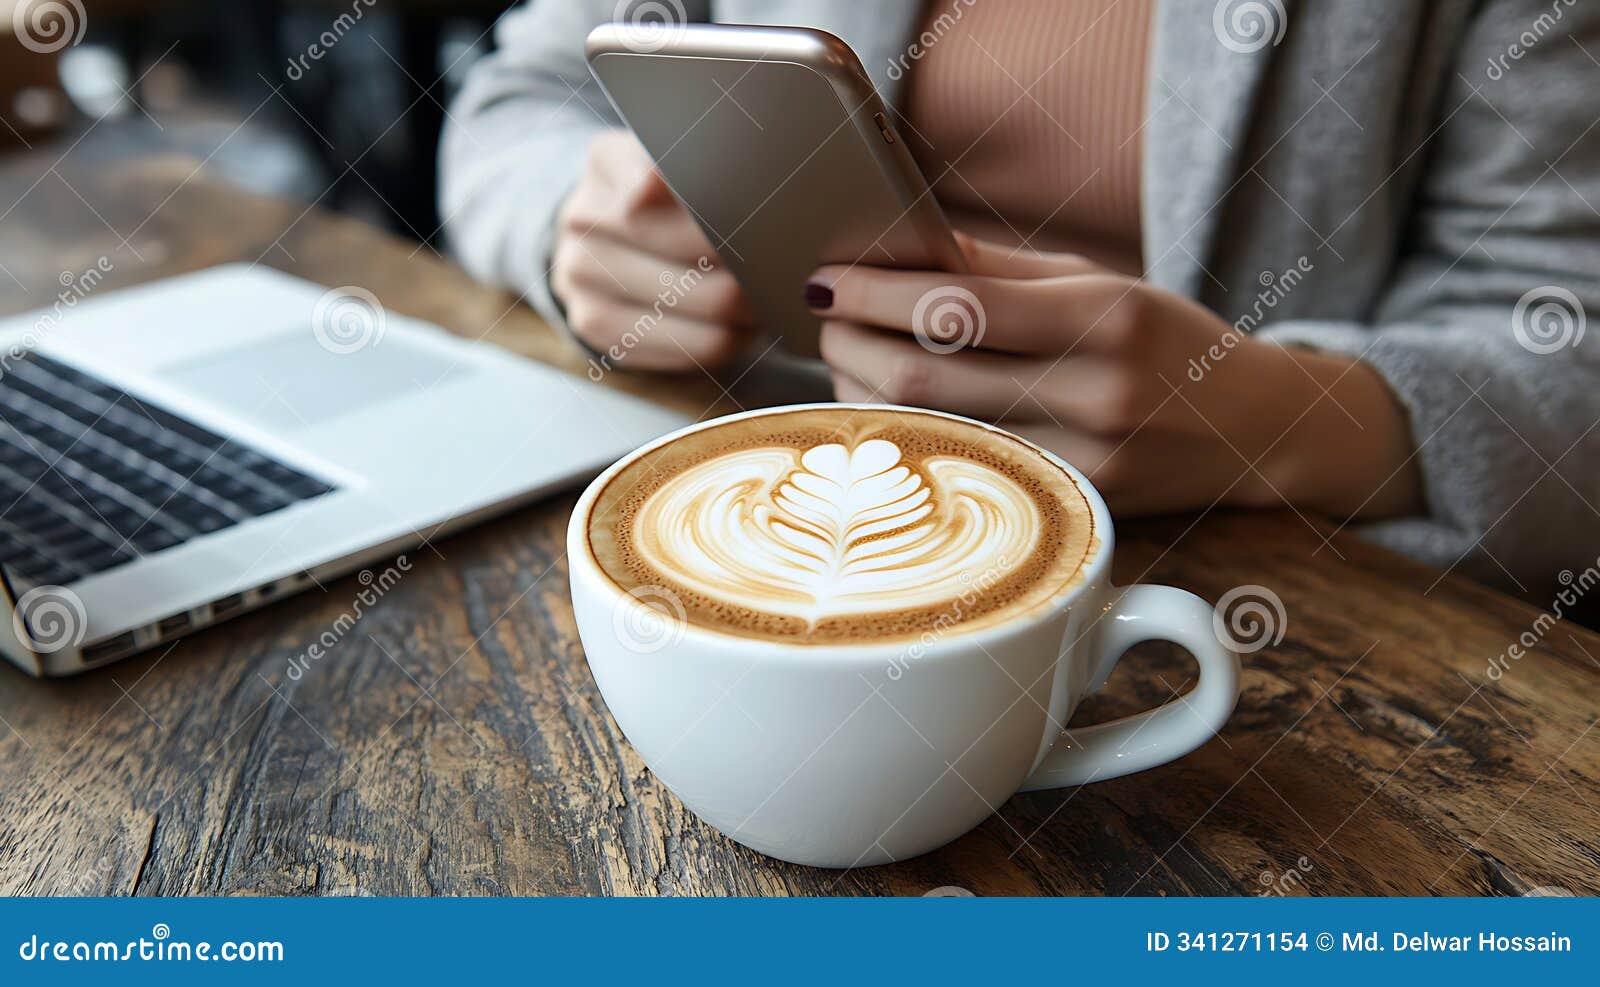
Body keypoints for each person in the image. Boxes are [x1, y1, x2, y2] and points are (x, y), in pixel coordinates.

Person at [439, 0, 1600, 600]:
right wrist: (566, 223)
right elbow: (518, 100)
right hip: (730, 495)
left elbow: (1569, 364)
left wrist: (1278, 418)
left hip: (1217, 585)